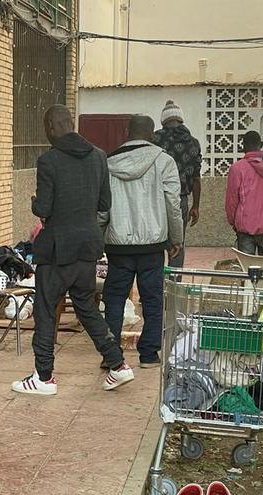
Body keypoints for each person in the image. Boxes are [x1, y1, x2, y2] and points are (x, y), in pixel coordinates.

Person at [11, 104, 134, 395]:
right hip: (88, 247)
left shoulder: (49, 161)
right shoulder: (99, 157)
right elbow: (104, 204)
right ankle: (118, 365)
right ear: (71, 124)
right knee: (87, 307)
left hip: (57, 250)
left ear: (52, 128)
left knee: (44, 310)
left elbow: (44, 208)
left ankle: (43, 378)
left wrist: (34, 202)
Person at [101, 115, 183, 368]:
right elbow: (173, 203)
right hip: (152, 245)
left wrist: (99, 234)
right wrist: (176, 237)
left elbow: (102, 208)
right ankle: (148, 354)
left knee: (114, 298)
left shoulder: (108, 163)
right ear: (152, 134)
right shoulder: (164, 162)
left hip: (117, 245)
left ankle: (111, 355)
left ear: (128, 132)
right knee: (153, 299)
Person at [153, 100, 202, 269]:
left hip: (155, 201)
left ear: (163, 120)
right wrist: (195, 206)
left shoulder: (154, 139)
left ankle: (155, 287)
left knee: (155, 245)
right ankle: (173, 288)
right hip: (180, 200)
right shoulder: (193, 143)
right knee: (177, 245)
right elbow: (196, 178)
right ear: (180, 119)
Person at [225, 131, 263, 256]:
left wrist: (233, 221)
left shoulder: (237, 168)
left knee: (248, 270)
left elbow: (232, 200)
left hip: (246, 227)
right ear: (261, 144)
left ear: (243, 146)